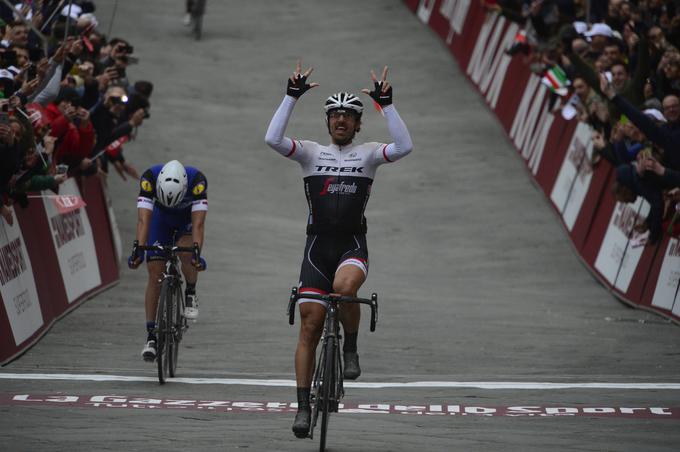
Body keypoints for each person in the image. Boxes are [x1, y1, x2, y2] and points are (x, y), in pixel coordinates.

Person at [265, 61, 413, 438]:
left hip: (351, 245)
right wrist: (290, 97)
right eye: (335, 115)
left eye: (349, 116)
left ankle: (350, 348)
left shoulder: (368, 154)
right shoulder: (311, 153)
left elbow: (405, 146)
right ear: (328, 122)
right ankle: (302, 408)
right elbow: (273, 139)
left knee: (346, 290)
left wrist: (387, 105)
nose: (341, 120)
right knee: (309, 327)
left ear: (358, 124)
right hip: (316, 248)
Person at [128, 159, 207, 362]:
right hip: (160, 220)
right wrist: (138, 249)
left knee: (187, 253)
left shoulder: (197, 181)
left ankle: (190, 291)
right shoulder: (149, 179)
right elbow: (143, 220)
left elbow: (198, 225)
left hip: (185, 221)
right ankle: (151, 336)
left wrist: (196, 255)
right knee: (155, 273)